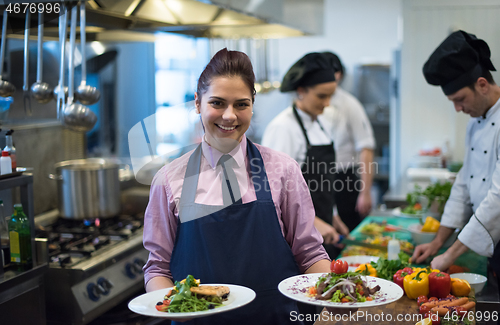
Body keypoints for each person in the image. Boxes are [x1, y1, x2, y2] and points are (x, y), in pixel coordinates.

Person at [142, 48, 331, 325]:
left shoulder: (283, 170)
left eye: (241, 104)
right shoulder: (169, 179)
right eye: (217, 103)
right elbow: (157, 267)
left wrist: (335, 292)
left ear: (252, 105)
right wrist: (172, 307)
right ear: (198, 103)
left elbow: (310, 253)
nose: (229, 116)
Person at [412, 30, 500, 280]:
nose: (458, 109)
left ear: (482, 84)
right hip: (492, 239)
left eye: (460, 99)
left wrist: (450, 255)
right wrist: (437, 243)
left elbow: (498, 200)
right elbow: (464, 184)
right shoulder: (475, 122)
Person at [261, 52, 350, 259]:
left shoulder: (321, 123)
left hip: (322, 231)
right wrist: (313, 222)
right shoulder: (283, 128)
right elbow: (273, 192)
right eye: (321, 96)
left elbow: (323, 183)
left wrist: (333, 216)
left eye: (330, 96)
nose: (327, 103)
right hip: (295, 236)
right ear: (301, 91)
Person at [321, 52, 376, 231]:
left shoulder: (350, 104)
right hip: (320, 179)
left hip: (344, 180)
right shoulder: (310, 106)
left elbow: (366, 148)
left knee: (347, 234)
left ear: (340, 75)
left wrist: (365, 192)